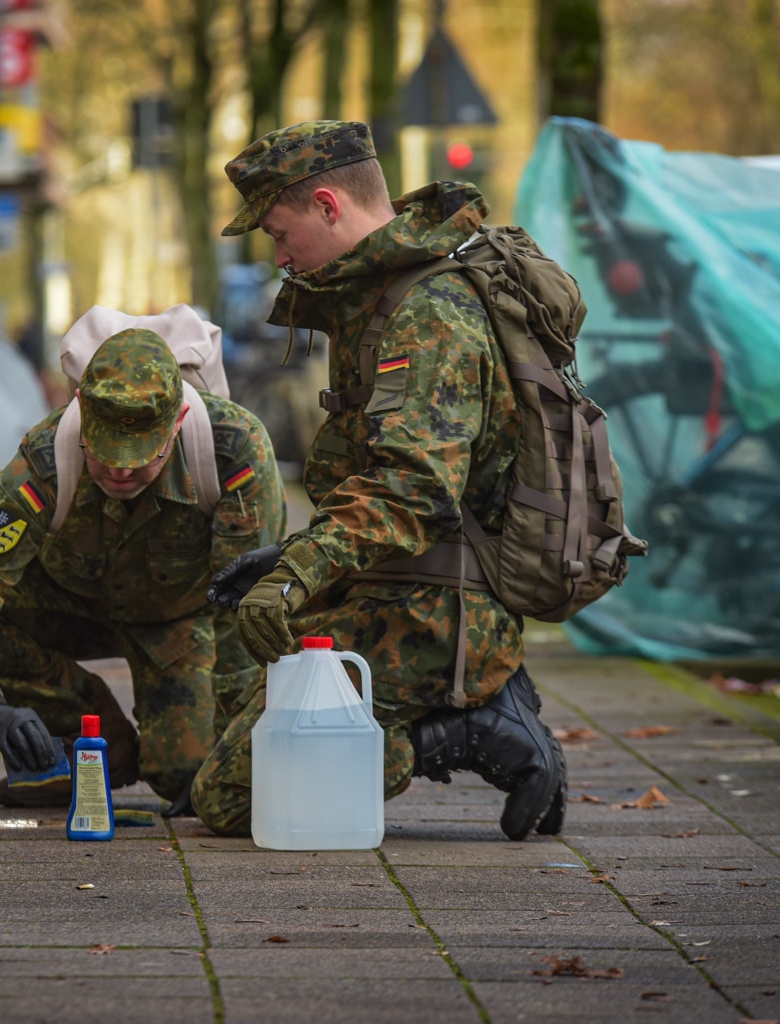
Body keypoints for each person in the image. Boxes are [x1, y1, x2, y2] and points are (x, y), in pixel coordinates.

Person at [194, 120, 567, 840]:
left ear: (329, 206)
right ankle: (470, 707)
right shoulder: (378, 297)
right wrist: (293, 560)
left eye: (278, 231)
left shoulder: (427, 312)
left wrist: (300, 570)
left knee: (236, 801)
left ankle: (479, 728)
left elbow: (414, 489)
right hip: (393, 583)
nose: (278, 256)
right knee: (230, 733)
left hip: (436, 607)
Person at [0, 318, 286, 812]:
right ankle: (96, 739)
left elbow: (242, 614)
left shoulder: (233, 452)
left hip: (177, 624)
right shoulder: (46, 456)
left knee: (191, 775)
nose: (120, 470)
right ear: (80, 412)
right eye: (104, 451)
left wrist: (236, 753)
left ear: (179, 420)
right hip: (65, 605)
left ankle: (173, 759)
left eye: (142, 453)